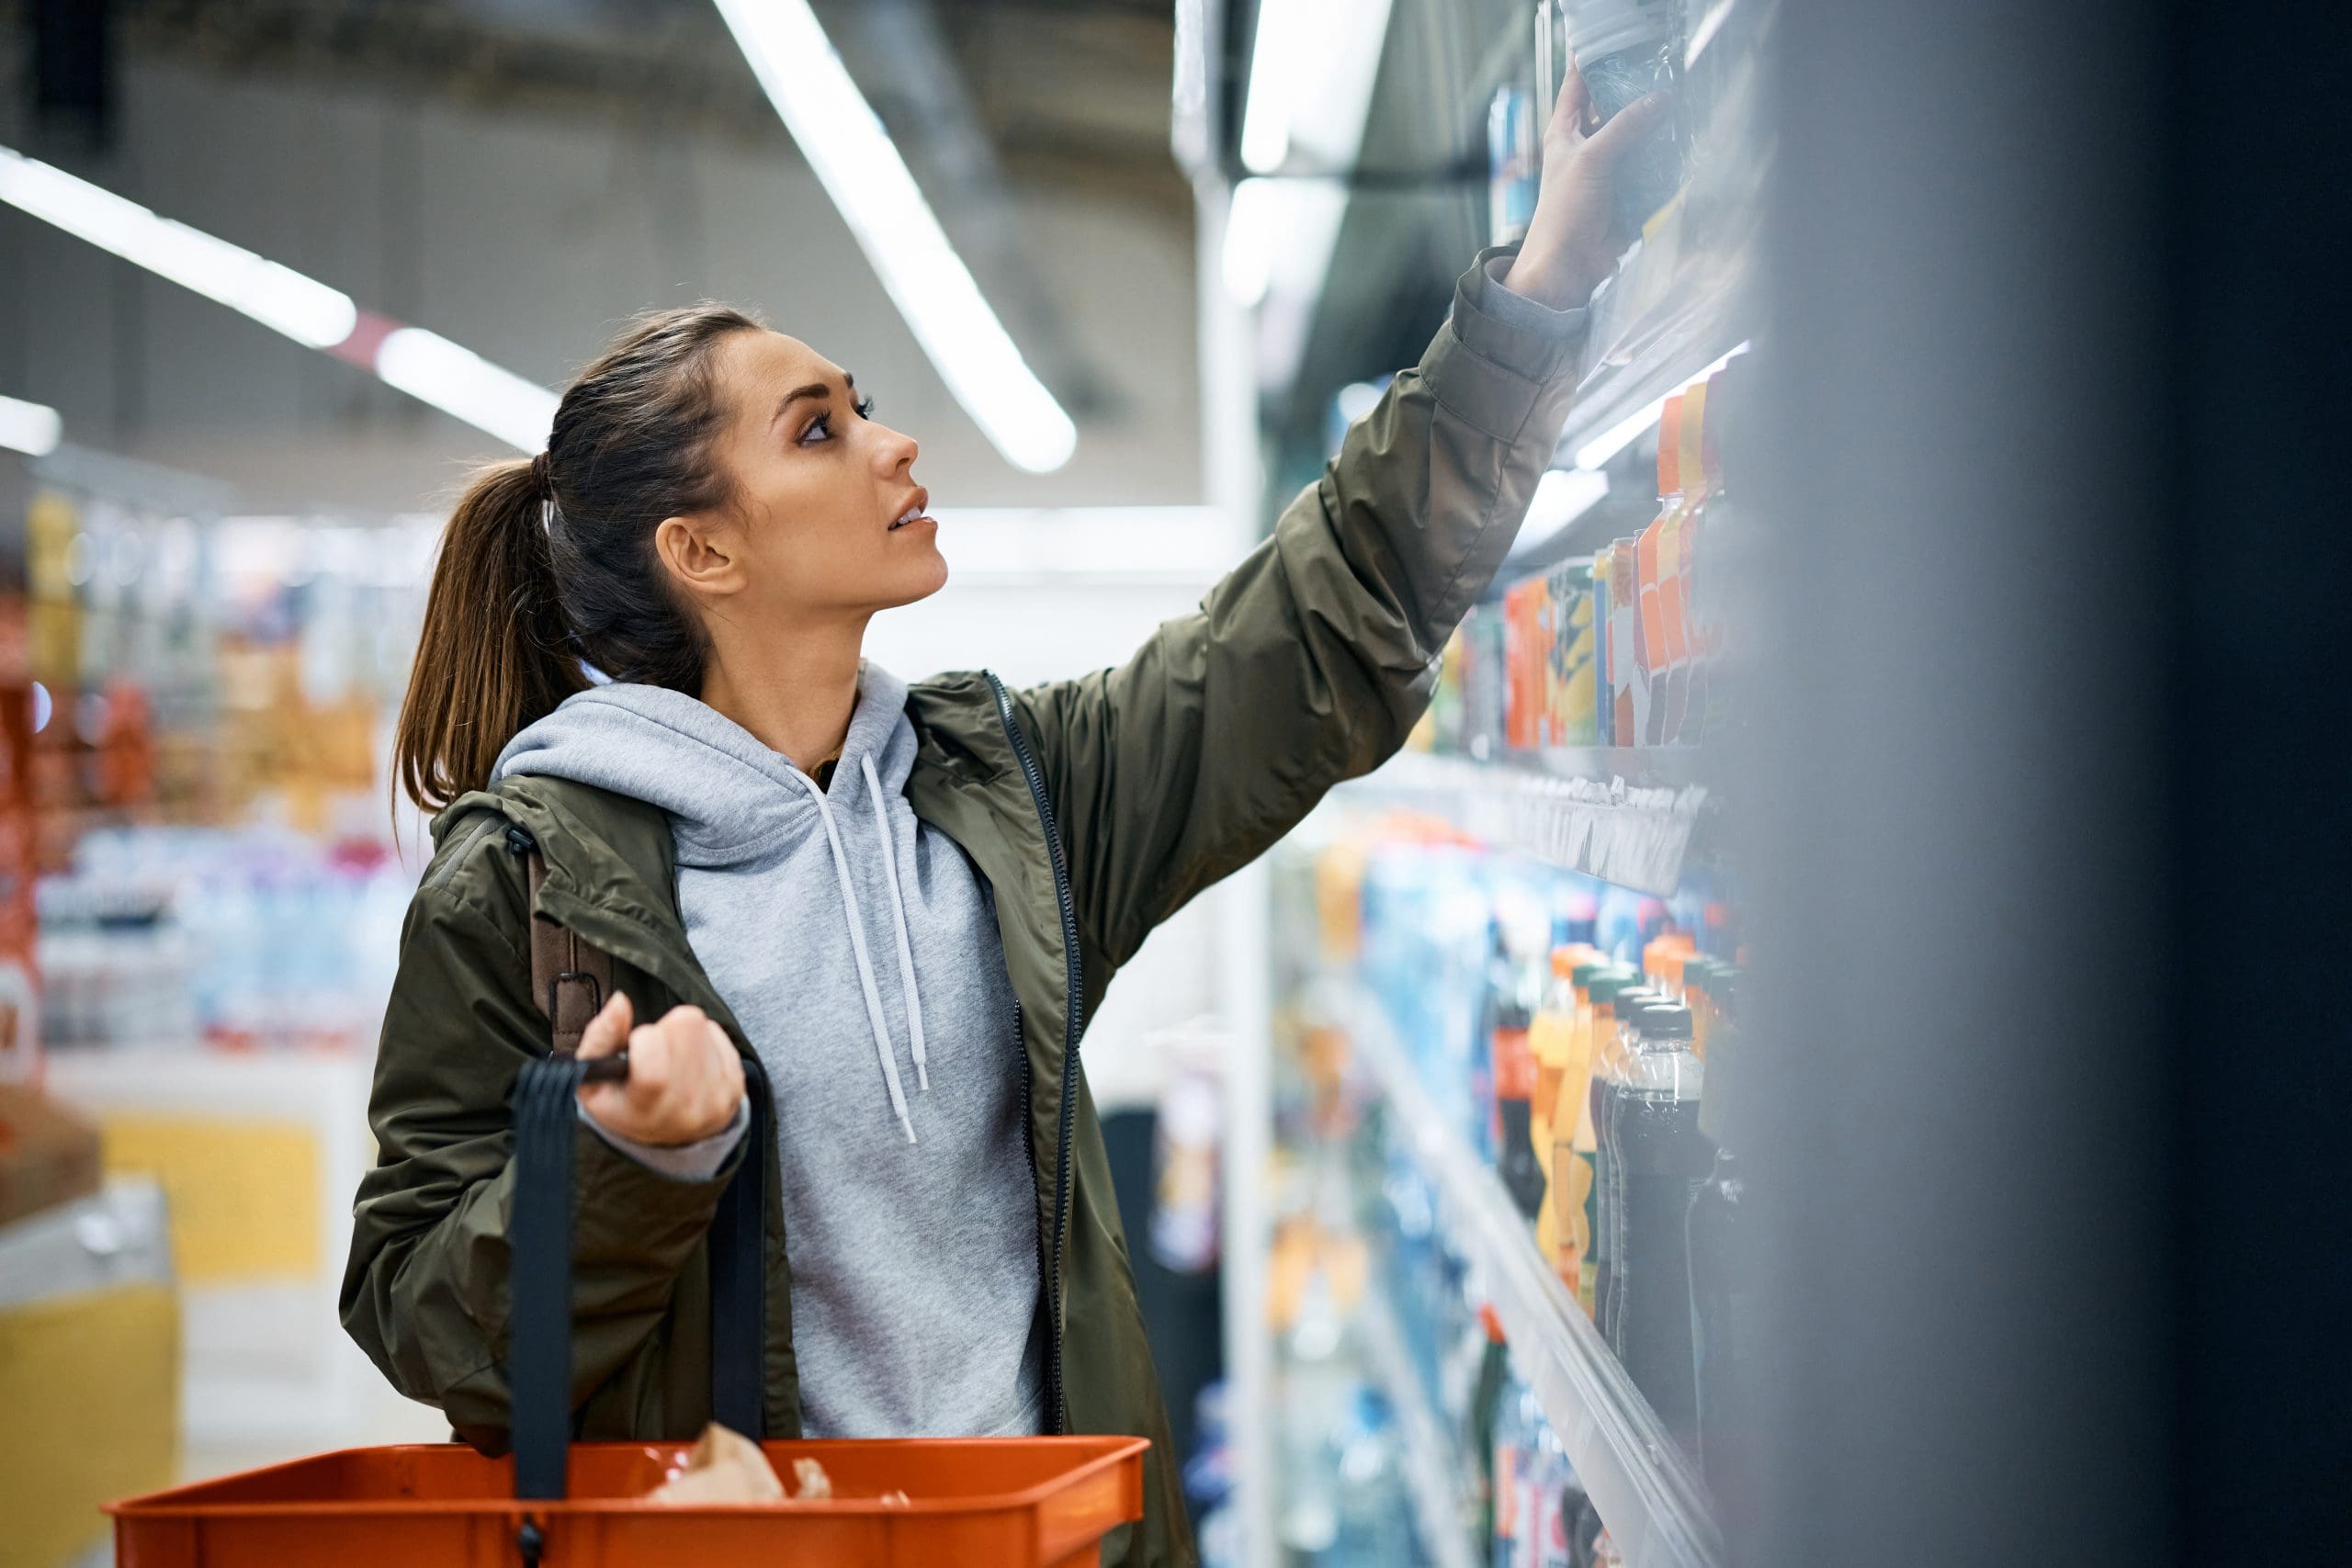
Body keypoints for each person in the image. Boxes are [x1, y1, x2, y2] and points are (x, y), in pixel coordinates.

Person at [341, 66, 1662, 1568]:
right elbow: (420, 1314)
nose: (894, 444)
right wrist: (624, 1167)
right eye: (820, 431)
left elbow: (1319, 618)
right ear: (703, 549)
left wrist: (1547, 280)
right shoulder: (530, 892)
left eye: (867, 410)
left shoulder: (1005, 797)